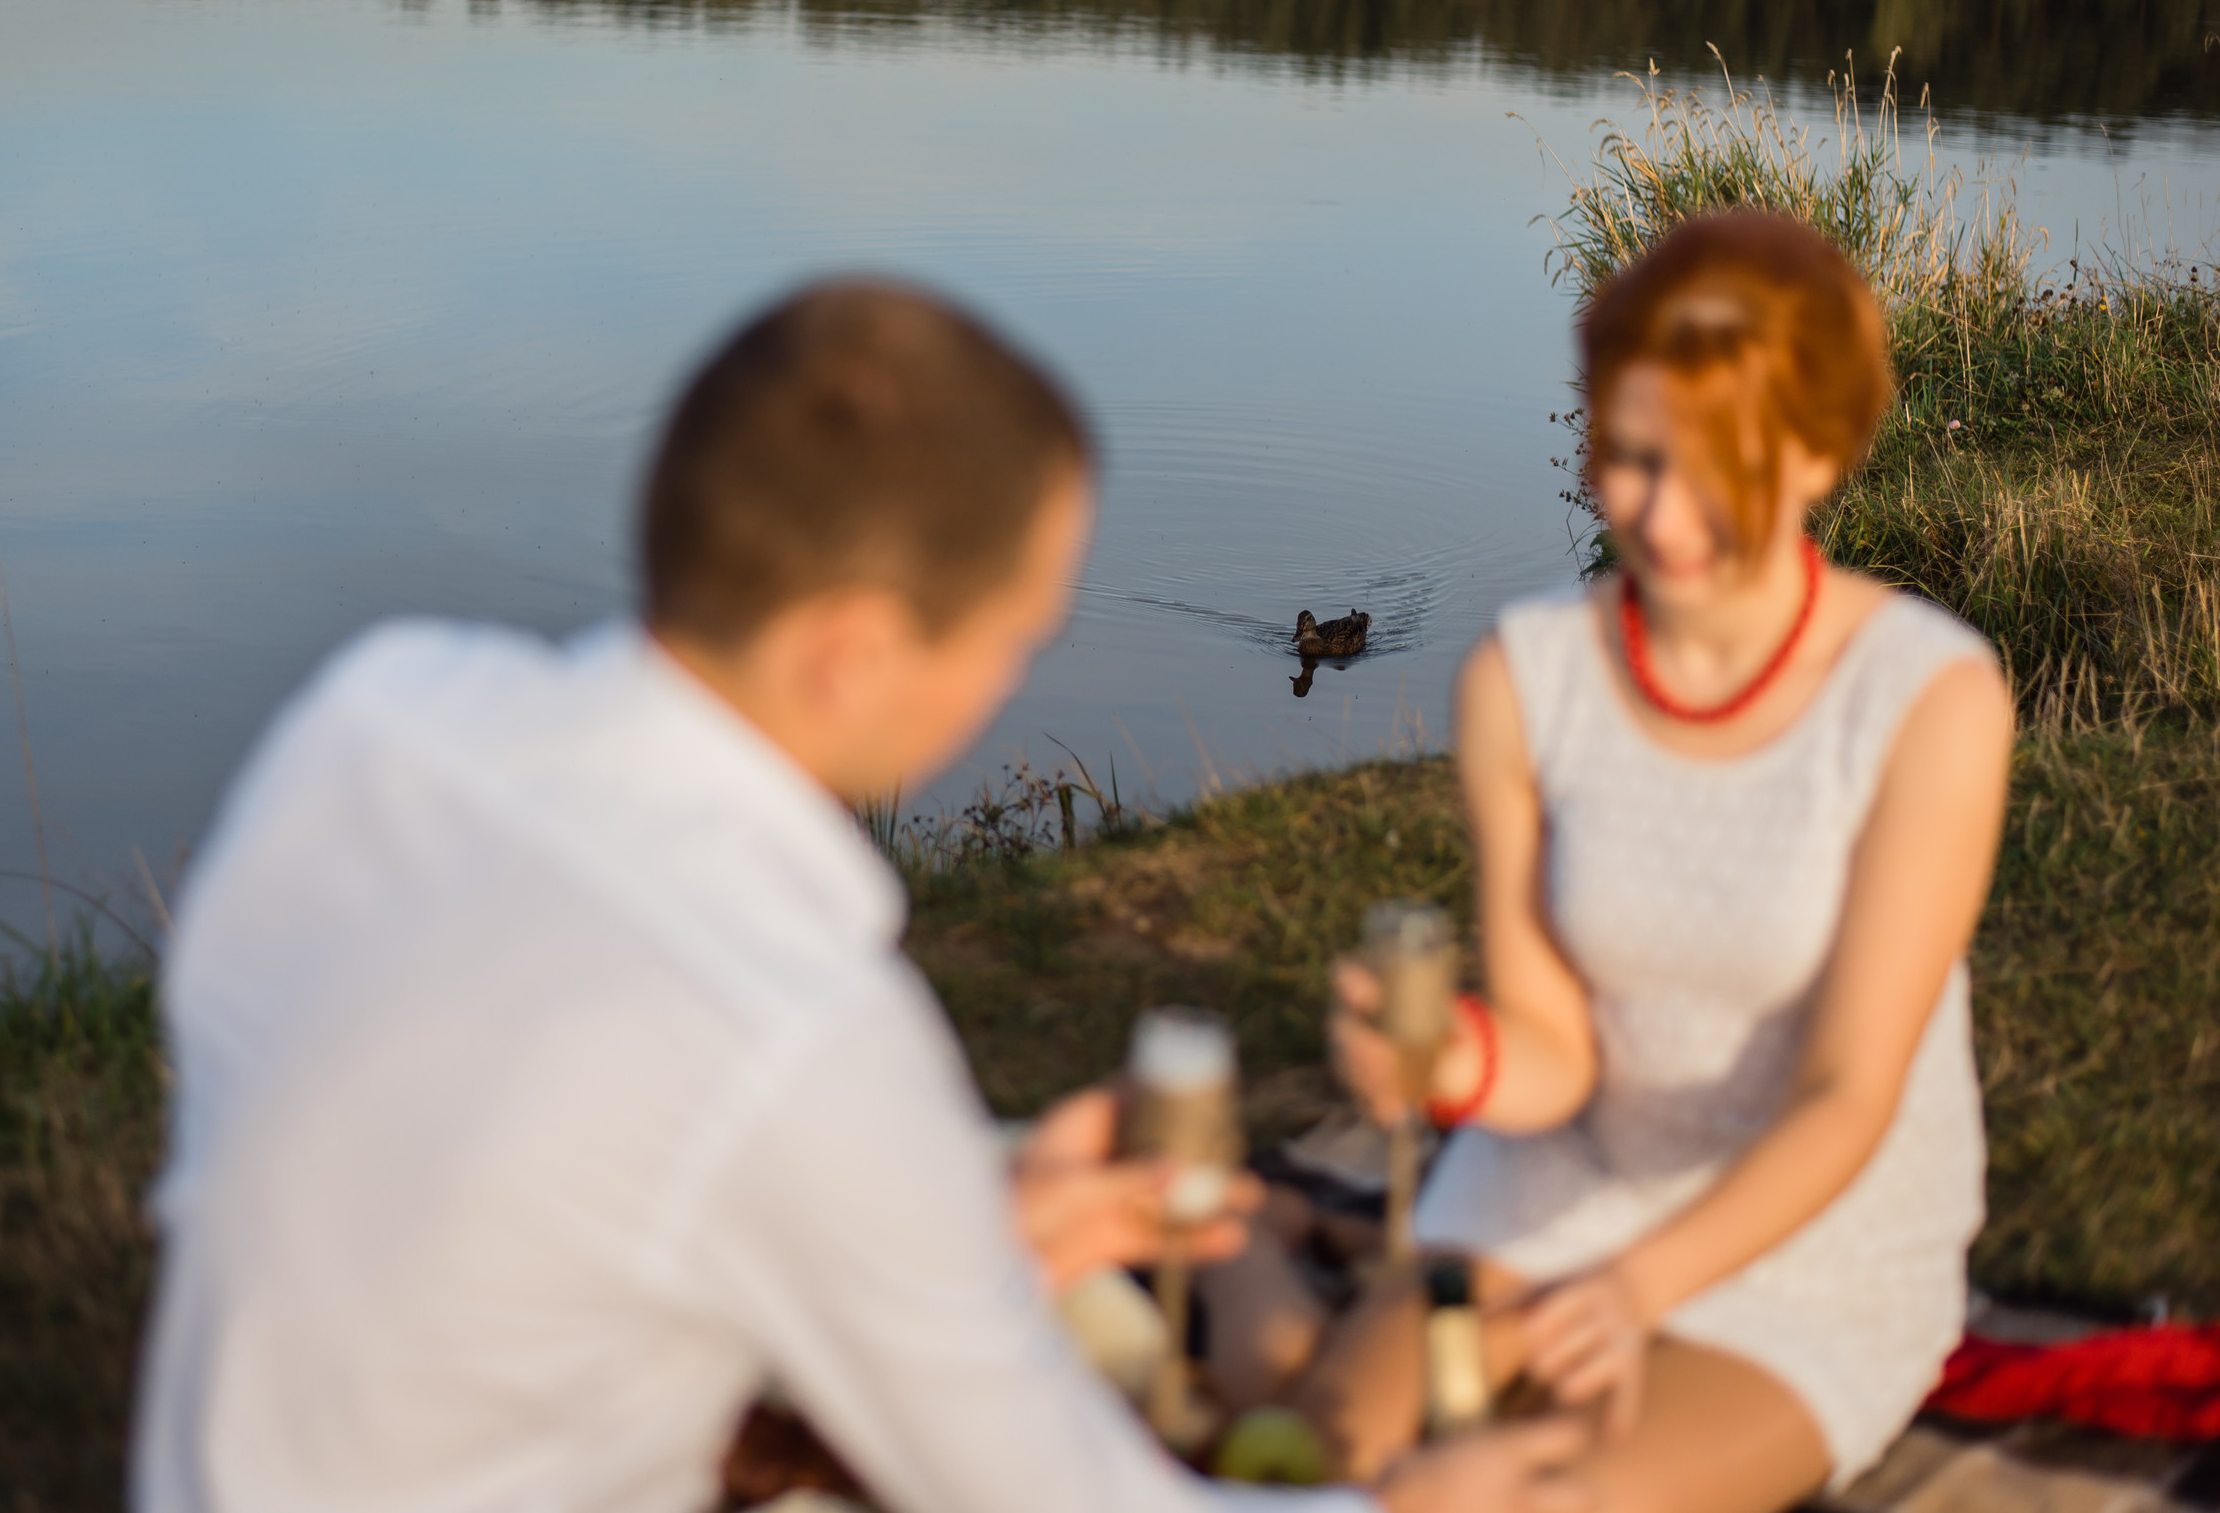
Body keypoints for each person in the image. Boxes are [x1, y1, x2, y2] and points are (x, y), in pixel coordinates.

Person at [130, 281, 1588, 1513]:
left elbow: (508, 1187)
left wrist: (955, 1230)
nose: (1008, 679)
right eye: (1009, 637)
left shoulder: (373, 722)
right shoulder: (791, 1026)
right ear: (854, 653)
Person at [1221, 213, 2015, 1513]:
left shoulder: (1927, 699)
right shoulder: (1526, 678)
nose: (1663, 513)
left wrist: (1635, 1288)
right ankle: (1255, 1242)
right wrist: (1459, 1063)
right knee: (1318, 1462)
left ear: (1819, 452)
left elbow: (1848, 1095)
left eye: (1720, 466)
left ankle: (1274, 1246)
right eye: (1632, 458)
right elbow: (1558, 1051)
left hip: (1811, 1245)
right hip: (1557, 1191)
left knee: (1512, 1495)